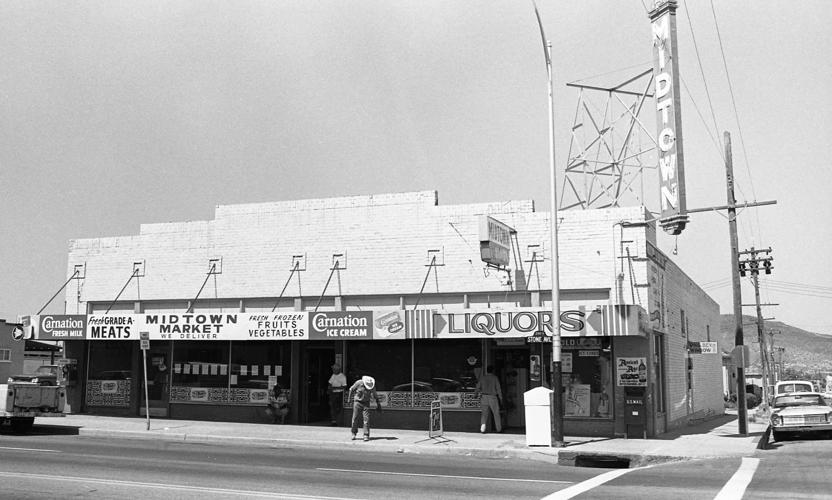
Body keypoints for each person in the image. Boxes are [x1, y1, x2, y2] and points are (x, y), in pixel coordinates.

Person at [348, 375, 382, 441]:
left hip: (366, 403)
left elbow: (375, 395)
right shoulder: (358, 383)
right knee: (355, 418)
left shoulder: (372, 386)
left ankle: (366, 435)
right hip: (357, 402)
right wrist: (349, 399)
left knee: (366, 419)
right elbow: (351, 389)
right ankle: (353, 433)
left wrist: (378, 404)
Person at [475, 365, 502, 433]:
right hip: (493, 397)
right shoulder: (495, 378)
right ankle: (498, 429)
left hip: (484, 397)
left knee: (484, 414)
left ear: (487, 370)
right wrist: (501, 398)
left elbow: (477, 387)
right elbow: (498, 389)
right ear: (492, 371)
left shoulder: (482, 378)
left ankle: (482, 429)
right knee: (496, 413)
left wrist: (475, 394)